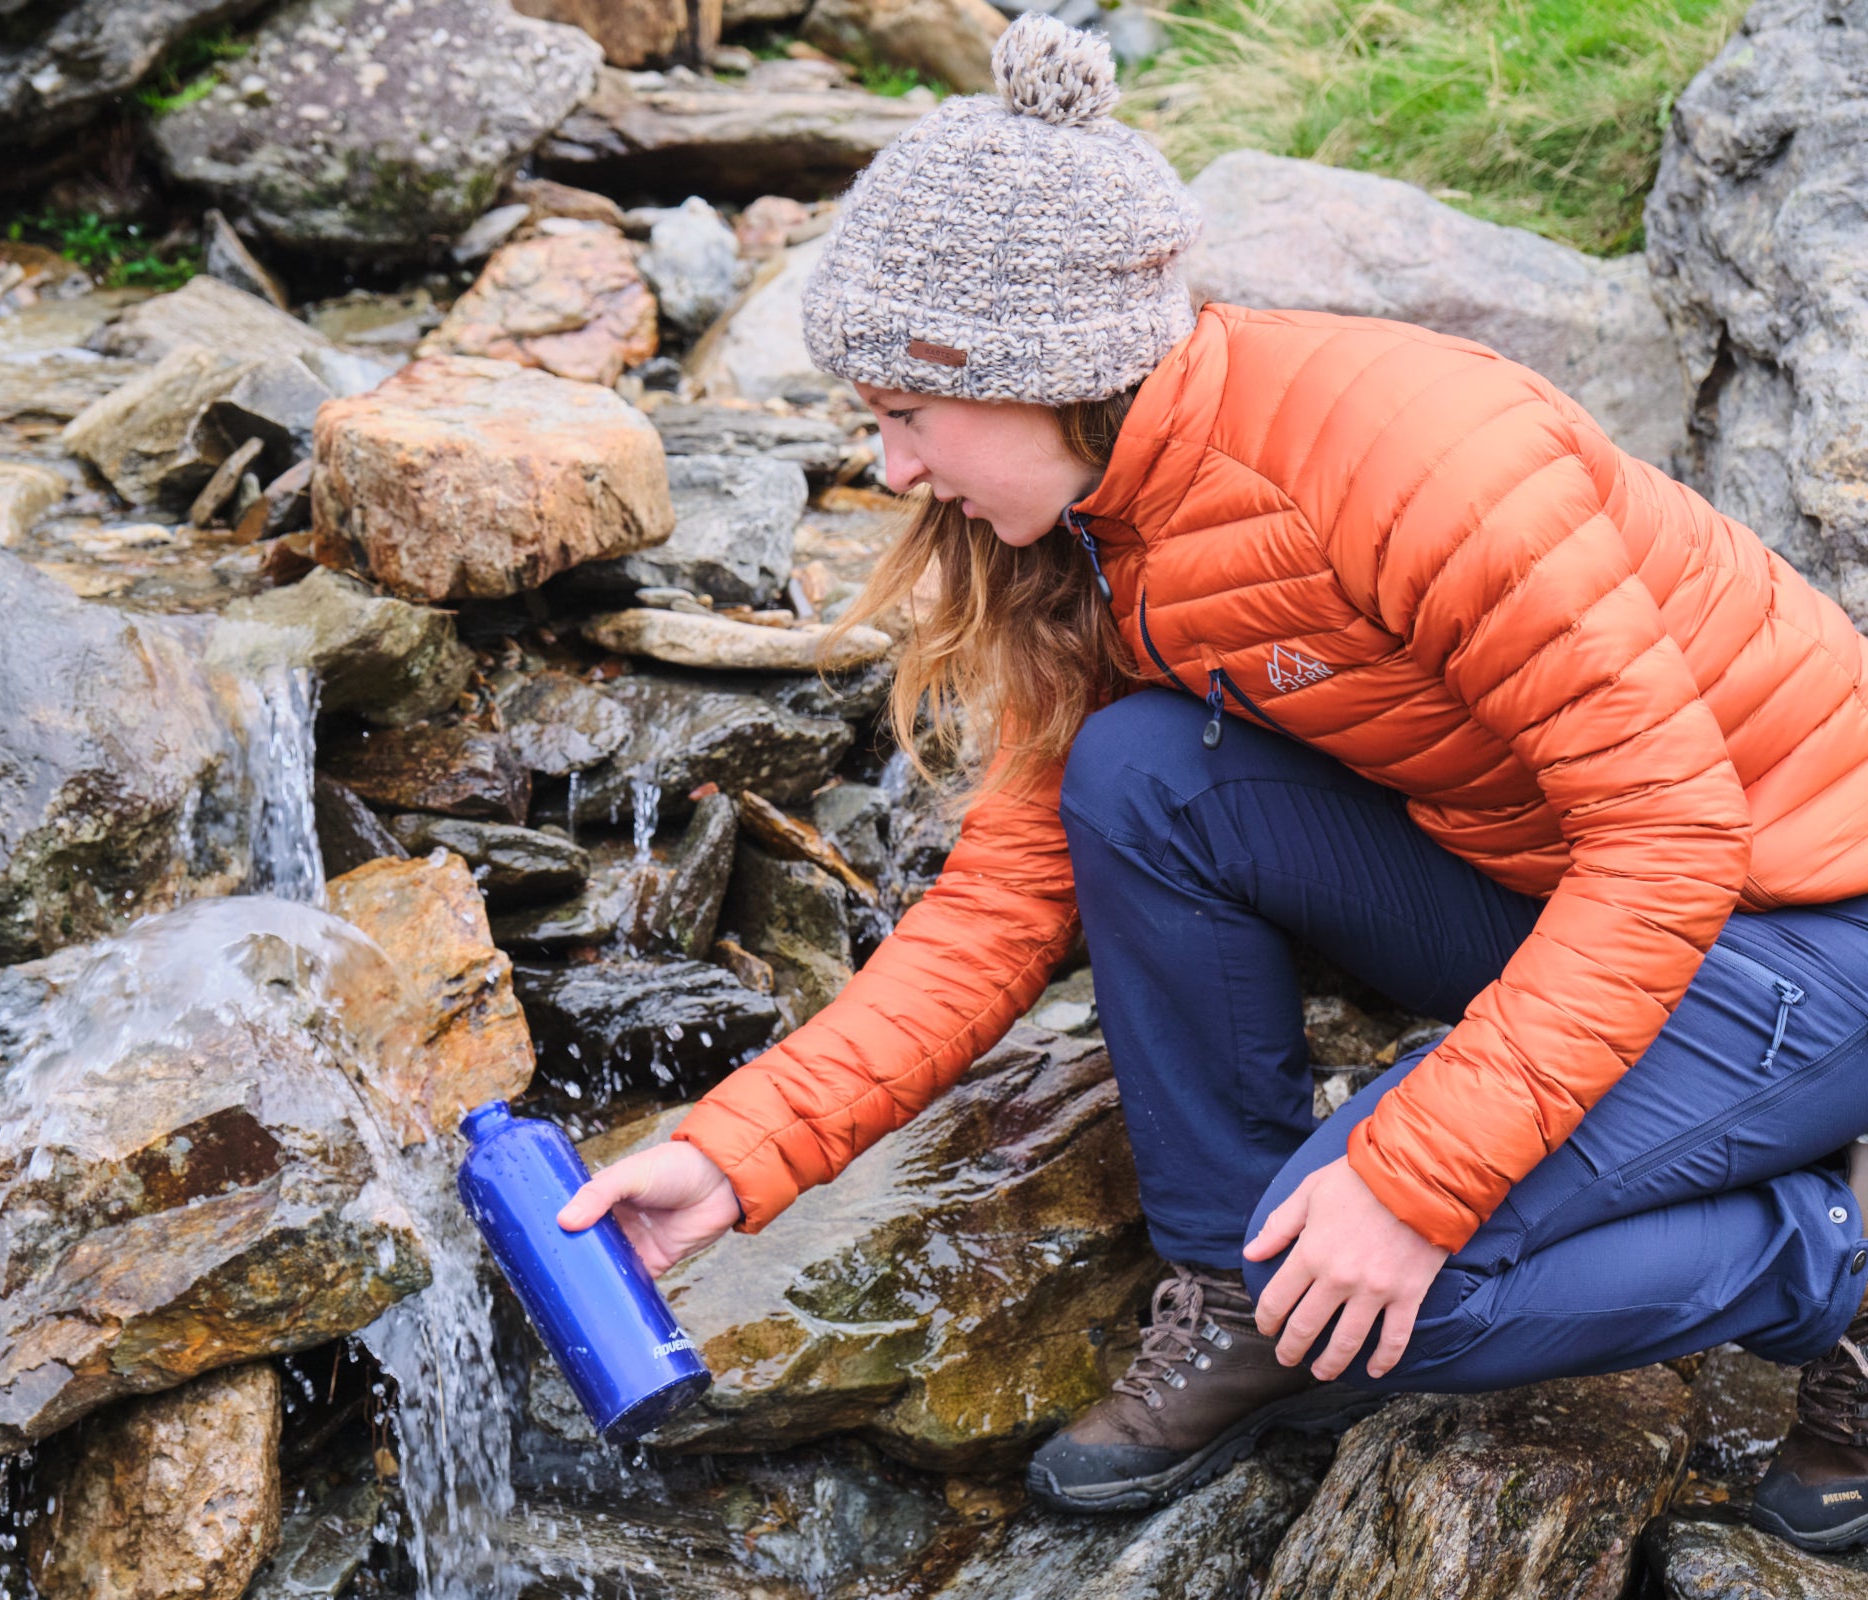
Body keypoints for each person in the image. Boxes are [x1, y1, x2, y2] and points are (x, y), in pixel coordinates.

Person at [555, 10, 1868, 1556]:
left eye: (907, 415)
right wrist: (739, 1145)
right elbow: (1004, 897)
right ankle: (1237, 1300)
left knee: (1397, 1289)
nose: (894, 469)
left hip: (1805, 918)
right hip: (1544, 882)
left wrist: (1415, 1175)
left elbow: (1667, 838)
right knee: (1137, 773)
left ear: (1049, 374)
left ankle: (1830, 1267)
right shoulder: (1102, 528)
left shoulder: (1414, 460)